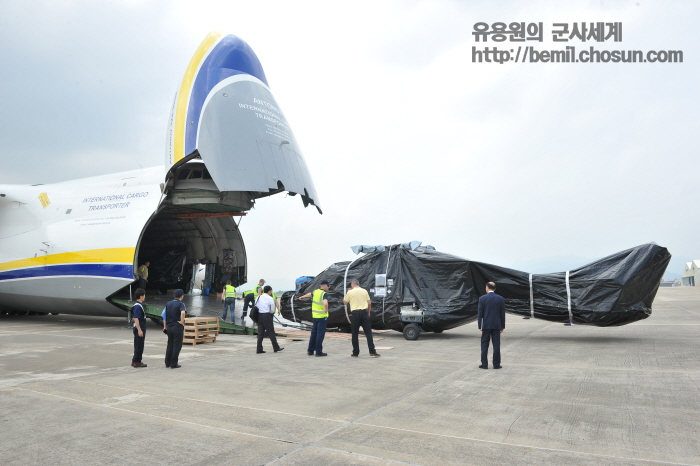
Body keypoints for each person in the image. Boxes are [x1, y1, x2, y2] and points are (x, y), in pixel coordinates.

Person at [343, 278, 380, 358]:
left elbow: (345, 302)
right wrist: (368, 312)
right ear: (358, 284)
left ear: (352, 284)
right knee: (368, 333)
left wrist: (348, 293)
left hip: (355, 313)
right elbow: (369, 303)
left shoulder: (350, 292)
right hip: (364, 312)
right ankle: (372, 351)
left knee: (355, 334)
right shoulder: (364, 291)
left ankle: (355, 352)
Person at [477, 281, 506, 369]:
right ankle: (496, 364)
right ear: (495, 288)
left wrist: (480, 325)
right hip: (497, 325)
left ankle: (484, 364)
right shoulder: (500, 299)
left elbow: (480, 313)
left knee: (484, 344)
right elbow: (502, 313)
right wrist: (502, 326)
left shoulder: (482, 298)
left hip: (486, 325)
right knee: (496, 344)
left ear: (487, 287)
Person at [299, 280, 330, 357]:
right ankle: (318, 352)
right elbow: (325, 303)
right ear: (324, 285)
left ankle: (310, 350)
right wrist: (326, 310)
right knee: (320, 334)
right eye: (328, 286)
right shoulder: (324, 294)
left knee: (313, 334)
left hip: (315, 316)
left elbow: (310, 294)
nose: (329, 287)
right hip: (322, 317)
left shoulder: (316, 291)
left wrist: (303, 296)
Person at [255, 285, 283, 354]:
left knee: (260, 333)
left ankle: (259, 349)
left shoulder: (258, 297)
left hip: (260, 316)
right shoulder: (269, 298)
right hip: (267, 315)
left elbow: (255, 305)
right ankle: (276, 347)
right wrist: (270, 313)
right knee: (271, 332)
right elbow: (271, 309)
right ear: (269, 291)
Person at [164, 289, 187, 369]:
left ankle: (167, 363)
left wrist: (165, 326)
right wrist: (182, 321)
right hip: (177, 327)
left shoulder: (168, 304)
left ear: (174, 295)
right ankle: (174, 364)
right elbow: (183, 312)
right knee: (177, 345)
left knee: (170, 344)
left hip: (169, 327)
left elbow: (164, 315)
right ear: (182, 296)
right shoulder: (181, 304)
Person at [131, 288, 148, 368]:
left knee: (138, 344)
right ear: (141, 296)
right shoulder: (138, 306)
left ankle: (135, 360)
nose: (144, 297)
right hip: (140, 328)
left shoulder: (138, 305)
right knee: (139, 345)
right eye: (144, 295)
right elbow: (136, 318)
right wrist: (139, 330)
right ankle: (137, 361)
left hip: (140, 328)